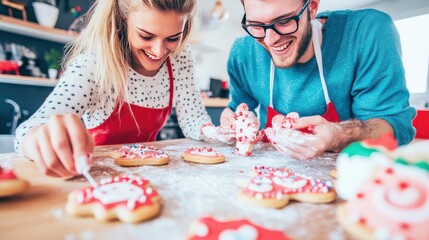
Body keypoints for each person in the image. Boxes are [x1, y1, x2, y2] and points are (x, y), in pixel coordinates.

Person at [14, 0, 212, 177]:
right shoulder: (93, 63)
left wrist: (215, 132)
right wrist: (39, 140)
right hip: (97, 174)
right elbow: (28, 129)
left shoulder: (180, 57)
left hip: (153, 173)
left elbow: (193, 118)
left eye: (172, 38)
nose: (159, 50)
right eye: (146, 36)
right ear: (123, 19)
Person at [225, 0, 415, 160]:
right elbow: (239, 109)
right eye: (257, 26)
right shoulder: (243, 54)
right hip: (265, 179)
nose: (270, 39)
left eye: (283, 21)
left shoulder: (367, 32)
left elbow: (395, 125)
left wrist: (338, 135)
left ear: (313, 6)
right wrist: (231, 122)